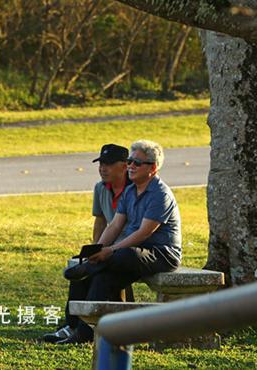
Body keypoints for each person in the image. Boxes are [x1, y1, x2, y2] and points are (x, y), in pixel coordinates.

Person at [58, 139, 182, 344]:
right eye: (130, 161)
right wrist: (98, 250)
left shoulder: (160, 194)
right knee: (100, 275)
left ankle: (89, 270)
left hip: (161, 254)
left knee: (123, 255)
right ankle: (79, 330)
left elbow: (144, 233)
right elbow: (114, 226)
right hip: (132, 252)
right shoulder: (130, 191)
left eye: (137, 163)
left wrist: (110, 251)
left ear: (153, 168)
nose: (131, 166)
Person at [41, 143, 130, 344]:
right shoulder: (100, 188)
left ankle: (85, 329)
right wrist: (95, 247)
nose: (102, 168)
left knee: (96, 273)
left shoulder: (134, 189)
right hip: (108, 246)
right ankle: (72, 324)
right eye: (100, 164)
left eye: (108, 164)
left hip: (127, 249)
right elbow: (100, 220)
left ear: (124, 166)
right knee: (79, 266)